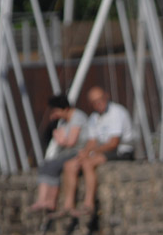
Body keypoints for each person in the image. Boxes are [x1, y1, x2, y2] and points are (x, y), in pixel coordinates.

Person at [58, 87, 134, 218]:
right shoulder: (94, 118)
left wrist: (91, 152)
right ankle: (68, 205)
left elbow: (113, 143)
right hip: (102, 150)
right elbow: (92, 141)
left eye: (100, 99)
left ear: (107, 96)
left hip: (122, 151)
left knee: (88, 163)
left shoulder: (117, 112)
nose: (98, 103)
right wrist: (85, 152)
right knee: (70, 165)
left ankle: (89, 204)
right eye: (94, 102)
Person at [30, 94, 88, 212]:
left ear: (65, 109)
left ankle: (50, 200)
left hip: (77, 151)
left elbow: (71, 142)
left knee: (53, 166)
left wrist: (60, 139)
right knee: (45, 165)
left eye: (56, 111)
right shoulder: (63, 121)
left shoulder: (77, 117)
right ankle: (42, 199)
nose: (55, 114)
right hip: (67, 151)